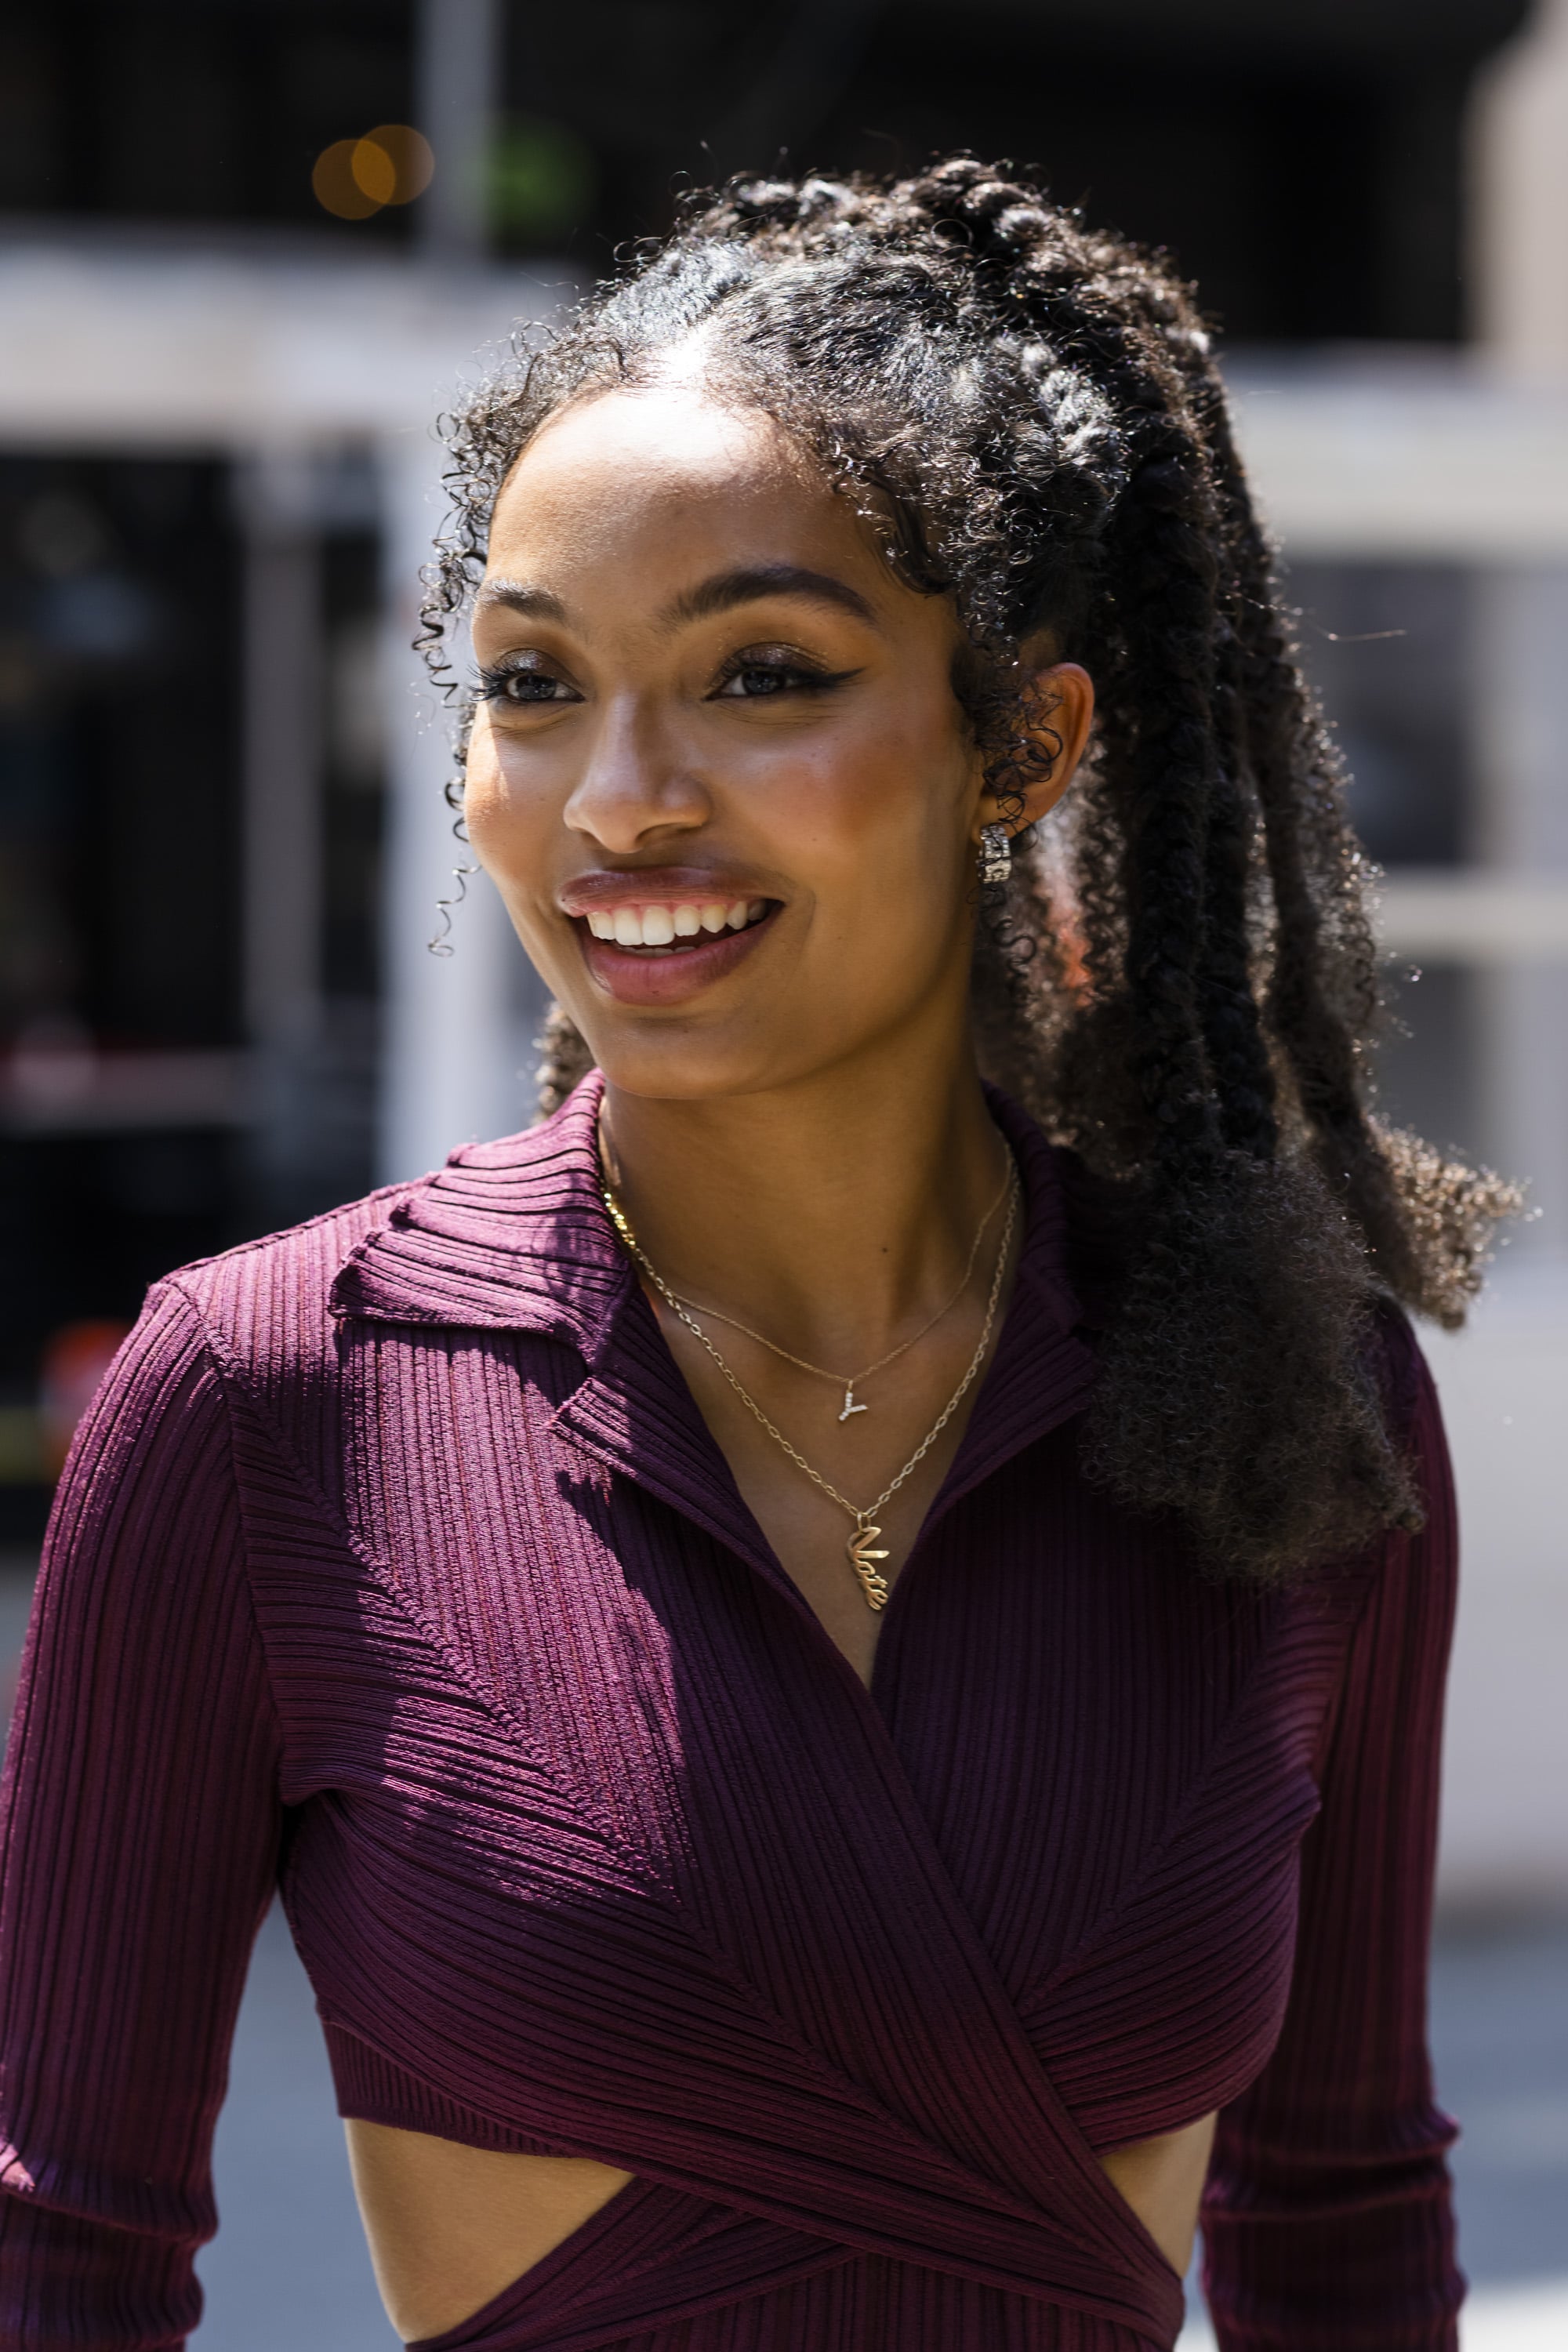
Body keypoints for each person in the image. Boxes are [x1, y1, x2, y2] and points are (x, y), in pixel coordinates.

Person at [0, 159, 1515, 2352]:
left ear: (1025, 741)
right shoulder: (264, 1404)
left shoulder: (1289, 1409)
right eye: (533, 686)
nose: (618, 799)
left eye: (762, 672)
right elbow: (62, 2267)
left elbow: (1349, 2222)